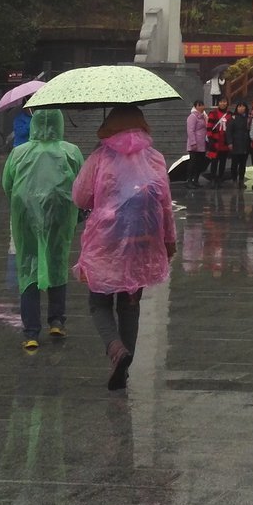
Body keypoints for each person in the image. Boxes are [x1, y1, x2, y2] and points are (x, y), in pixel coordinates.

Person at [73, 105, 176, 390]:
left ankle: (117, 350)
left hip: (107, 242)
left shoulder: (99, 158)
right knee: (130, 305)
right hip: (142, 243)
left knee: (99, 302)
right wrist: (169, 241)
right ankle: (125, 367)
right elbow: (165, 206)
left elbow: (80, 198)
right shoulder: (155, 159)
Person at [1, 107, 84, 350]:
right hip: (60, 214)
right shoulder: (71, 151)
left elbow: (7, 183)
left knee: (28, 265)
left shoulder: (19, 152)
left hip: (26, 215)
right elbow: (81, 183)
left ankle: (31, 332)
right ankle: (57, 319)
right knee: (57, 260)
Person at [225, 100, 252, 189]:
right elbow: (228, 132)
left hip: (245, 144)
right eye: (239, 106)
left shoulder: (248, 118)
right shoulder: (233, 118)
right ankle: (234, 180)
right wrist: (229, 142)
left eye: (243, 106)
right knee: (234, 164)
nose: (241, 108)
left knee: (243, 164)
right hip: (235, 144)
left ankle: (241, 180)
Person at [183, 98, 209, 186]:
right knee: (193, 162)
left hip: (202, 143)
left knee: (199, 163)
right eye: (199, 105)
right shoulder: (192, 117)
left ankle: (196, 180)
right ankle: (189, 180)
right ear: (195, 107)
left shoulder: (204, 116)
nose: (201, 107)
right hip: (194, 144)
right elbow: (190, 130)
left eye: (202, 105)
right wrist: (193, 142)